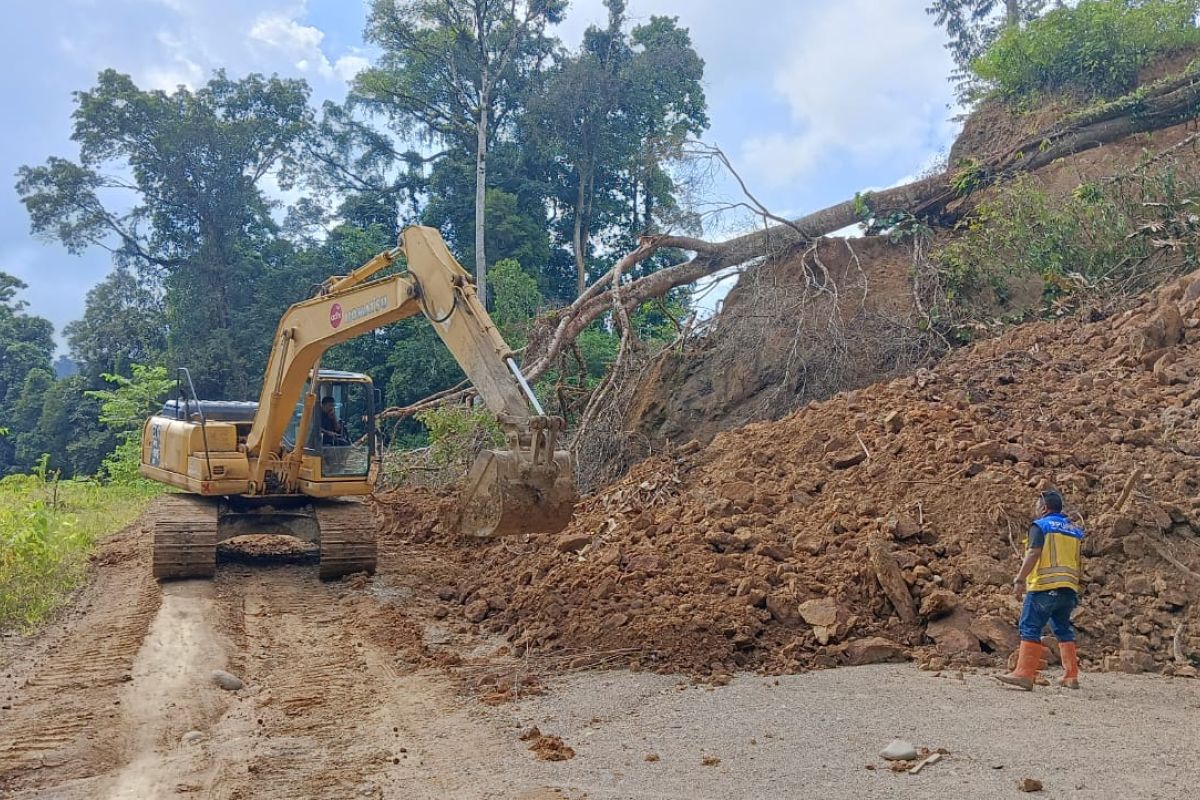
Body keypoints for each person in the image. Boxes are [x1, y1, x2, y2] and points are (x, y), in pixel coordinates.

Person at [997, 488, 1084, 690]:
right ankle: (1071, 675)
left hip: (1045, 587)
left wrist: (1020, 579)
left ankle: (1024, 674)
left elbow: (1034, 552)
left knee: (1030, 626)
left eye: (1037, 505)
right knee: (1063, 629)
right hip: (1069, 589)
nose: (1035, 509)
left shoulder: (1041, 526)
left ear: (1044, 508)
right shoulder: (1073, 529)